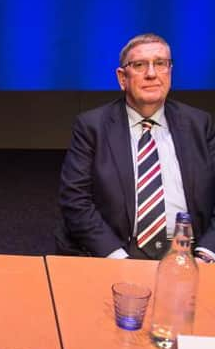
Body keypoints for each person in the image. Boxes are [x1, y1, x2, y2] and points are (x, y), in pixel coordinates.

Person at [59, 33, 215, 262]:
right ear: (122, 78)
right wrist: (118, 259)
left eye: (160, 64)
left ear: (169, 72)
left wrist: (206, 254)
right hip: (121, 250)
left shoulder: (199, 124)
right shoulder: (92, 126)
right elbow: (75, 200)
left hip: (188, 251)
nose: (152, 74)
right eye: (140, 65)